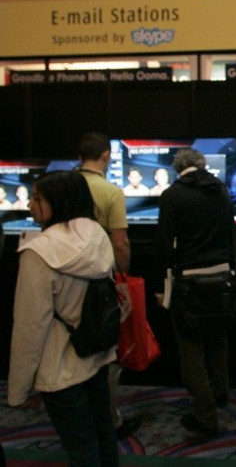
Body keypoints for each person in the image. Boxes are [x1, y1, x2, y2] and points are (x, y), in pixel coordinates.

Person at [8, 171, 119, 466]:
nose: (30, 205)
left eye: (36, 198)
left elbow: (30, 325)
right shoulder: (97, 235)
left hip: (58, 367)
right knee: (103, 433)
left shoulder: (38, 252)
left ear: (58, 201)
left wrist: (19, 389)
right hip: (97, 354)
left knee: (80, 447)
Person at [157, 149, 234, 436]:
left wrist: (160, 289)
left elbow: (164, 245)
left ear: (178, 168)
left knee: (191, 350)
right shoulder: (221, 189)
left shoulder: (172, 195)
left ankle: (206, 418)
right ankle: (221, 393)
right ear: (202, 166)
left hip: (189, 282)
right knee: (217, 339)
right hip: (223, 278)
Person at [77, 132, 139, 440]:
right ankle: (109, 420)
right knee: (107, 350)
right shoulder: (111, 192)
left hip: (62, 279)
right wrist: (122, 277)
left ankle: (80, 416)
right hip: (101, 281)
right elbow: (121, 243)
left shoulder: (61, 186)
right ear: (106, 156)